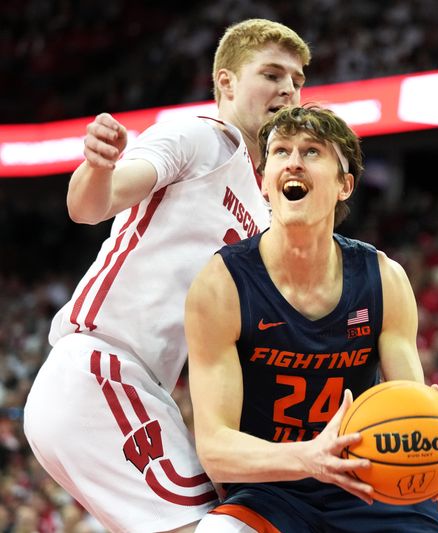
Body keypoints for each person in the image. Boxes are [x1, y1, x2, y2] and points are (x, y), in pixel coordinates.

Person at [23, 19, 310, 533]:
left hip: (141, 389)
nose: (287, 88)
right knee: (229, 527)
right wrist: (98, 165)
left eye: (296, 79)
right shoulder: (200, 137)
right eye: (271, 73)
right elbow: (92, 205)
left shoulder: (265, 207)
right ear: (225, 83)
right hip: (102, 370)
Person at [184, 105, 438, 532]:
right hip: (274, 488)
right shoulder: (221, 285)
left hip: (371, 480)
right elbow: (215, 448)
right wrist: (308, 459)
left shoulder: (384, 279)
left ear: (345, 185)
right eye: (281, 151)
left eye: (313, 151)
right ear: (264, 183)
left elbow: (410, 400)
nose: (294, 161)